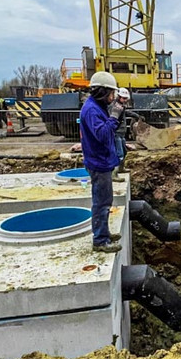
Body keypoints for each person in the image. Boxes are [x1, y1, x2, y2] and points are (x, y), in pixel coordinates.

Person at [79, 71, 123, 253]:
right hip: (98, 162)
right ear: (102, 91)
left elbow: (110, 131)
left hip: (102, 160)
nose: (112, 97)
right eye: (111, 93)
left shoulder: (96, 107)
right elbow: (104, 134)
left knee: (105, 200)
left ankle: (103, 233)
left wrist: (118, 113)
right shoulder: (91, 110)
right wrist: (113, 117)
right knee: (101, 202)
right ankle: (100, 240)